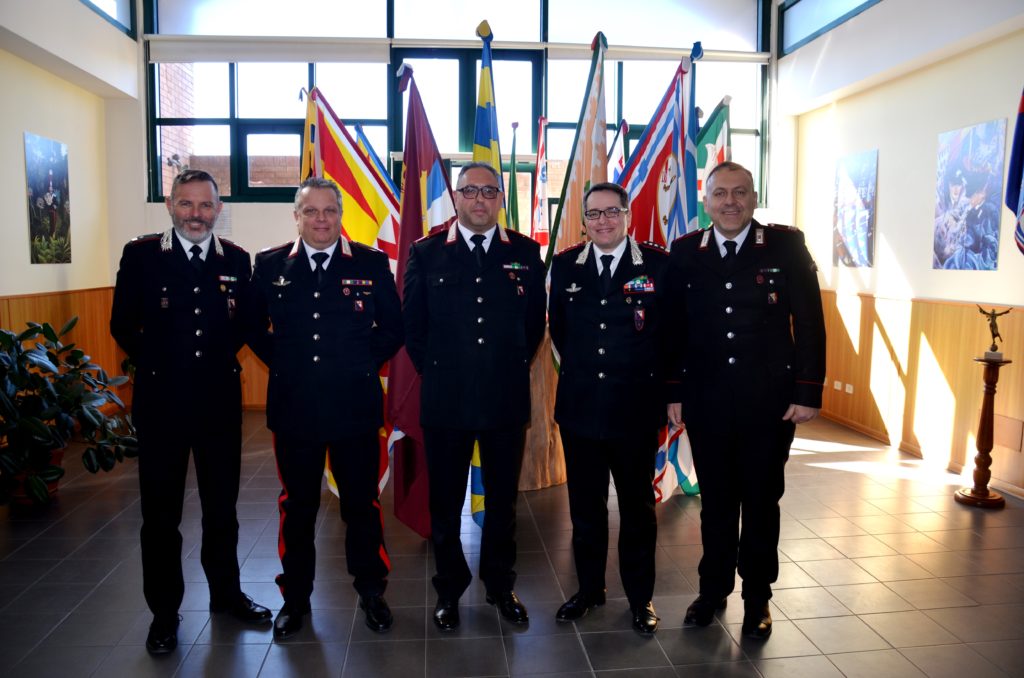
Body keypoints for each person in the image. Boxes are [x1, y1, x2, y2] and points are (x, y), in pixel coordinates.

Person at [110, 169, 271, 655]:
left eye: (205, 205)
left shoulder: (236, 259)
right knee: (161, 515)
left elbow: (246, 323)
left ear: (218, 209)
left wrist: (214, 360)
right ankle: (164, 613)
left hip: (218, 403)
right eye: (186, 203)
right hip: (161, 404)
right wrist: (164, 364)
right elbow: (122, 324)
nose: (195, 214)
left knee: (222, 510)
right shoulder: (142, 256)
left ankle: (226, 595)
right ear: (170, 205)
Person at [666, 161, 826, 639]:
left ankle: (757, 597)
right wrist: (674, 392)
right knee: (716, 503)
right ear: (706, 201)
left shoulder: (784, 246)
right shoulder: (685, 251)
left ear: (754, 198)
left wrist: (808, 390)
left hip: (769, 403)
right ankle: (712, 590)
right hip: (708, 401)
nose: (730, 202)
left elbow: (810, 322)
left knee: (761, 500)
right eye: (720, 193)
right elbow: (674, 330)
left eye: (740, 192)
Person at [246, 177, 404, 639]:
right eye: (311, 211)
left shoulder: (370, 263)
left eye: (329, 211)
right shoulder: (270, 264)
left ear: (340, 215)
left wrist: (359, 364)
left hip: (354, 406)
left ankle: (371, 590)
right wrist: (287, 364)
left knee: (361, 504)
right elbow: (253, 327)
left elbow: (393, 328)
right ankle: (295, 598)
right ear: (296, 217)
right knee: (297, 506)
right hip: (294, 407)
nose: (321, 219)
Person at [402, 162, 546, 630]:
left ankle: (500, 584)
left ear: (500, 198)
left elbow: (534, 324)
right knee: (444, 503)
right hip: (446, 400)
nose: (479, 199)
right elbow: (414, 327)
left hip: (504, 398)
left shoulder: (525, 252)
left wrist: (503, 367)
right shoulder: (427, 253)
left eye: (488, 191)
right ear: (457, 197)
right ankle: (449, 588)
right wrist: (443, 372)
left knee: (503, 502)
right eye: (470, 191)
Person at [548, 182, 670, 634]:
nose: (603, 221)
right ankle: (589, 589)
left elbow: (671, 334)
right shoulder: (566, 266)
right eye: (594, 214)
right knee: (585, 509)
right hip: (580, 409)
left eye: (612, 212)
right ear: (584, 221)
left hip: (634, 410)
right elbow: (561, 332)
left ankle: (640, 598)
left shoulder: (657, 265)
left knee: (637, 510)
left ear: (627, 216)